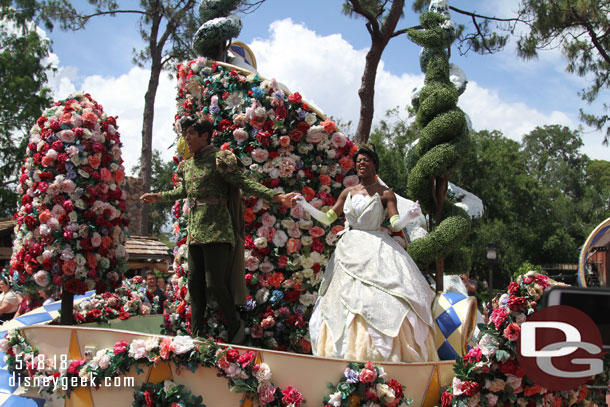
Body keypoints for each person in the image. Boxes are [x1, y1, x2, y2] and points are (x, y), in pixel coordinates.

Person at [141, 116, 298, 342]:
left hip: (218, 229)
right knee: (194, 284)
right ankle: (196, 335)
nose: (187, 139)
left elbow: (244, 182)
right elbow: (182, 191)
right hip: (195, 231)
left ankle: (235, 326)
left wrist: (278, 197)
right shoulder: (187, 165)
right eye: (185, 136)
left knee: (214, 284)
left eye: (191, 135)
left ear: (205, 136)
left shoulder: (220, 159)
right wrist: (159, 196)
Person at [302, 145, 438, 362]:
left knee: (386, 295)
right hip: (348, 250)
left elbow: (394, 225)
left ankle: (389, 353)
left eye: (366, 160)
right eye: (358, 161)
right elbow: (328, 218)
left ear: (375, 165)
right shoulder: (348, 192)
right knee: (341, 297)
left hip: (377, 248)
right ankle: (338, 352)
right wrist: (306, 206)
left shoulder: (385, 194)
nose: (361, 163)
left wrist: (409, 216)